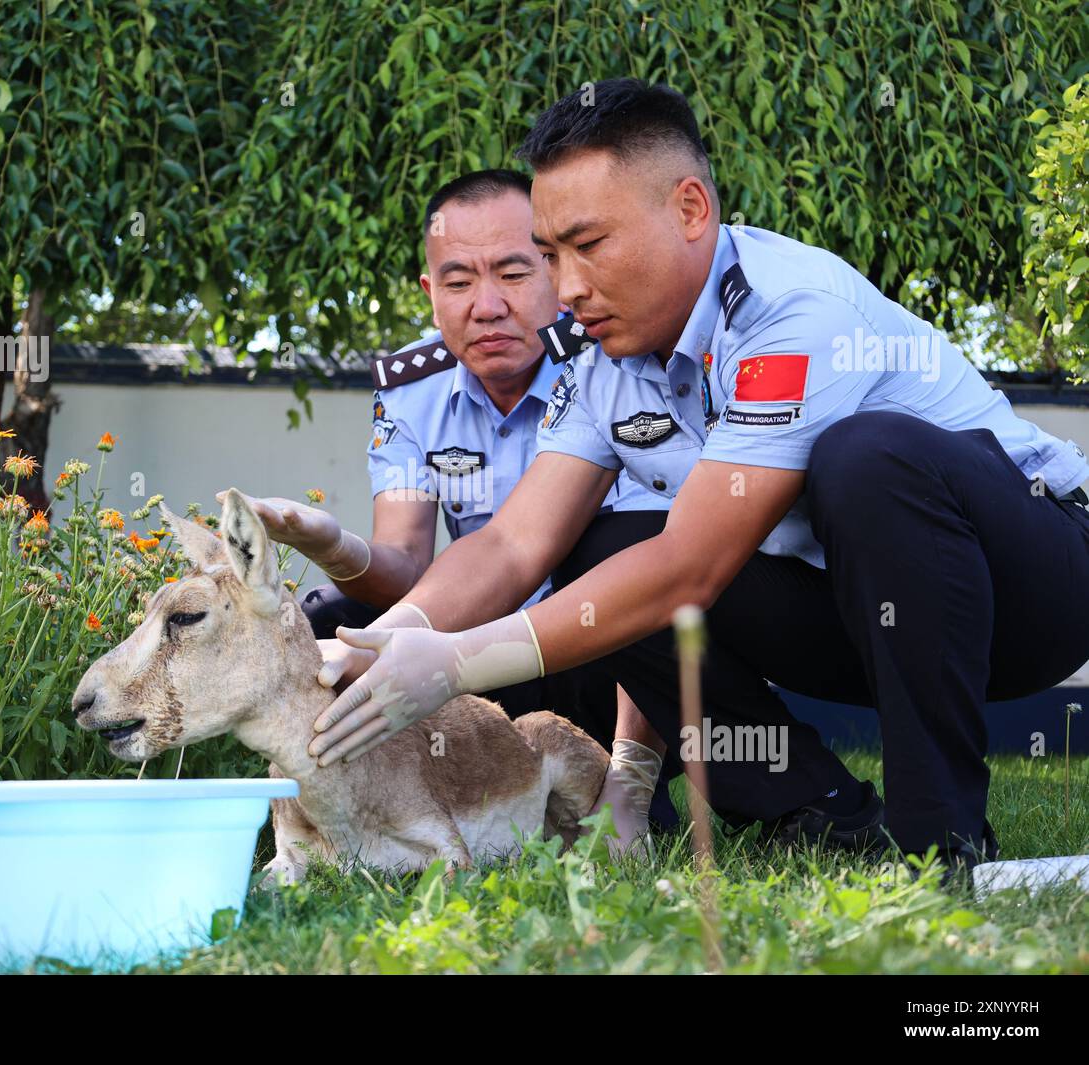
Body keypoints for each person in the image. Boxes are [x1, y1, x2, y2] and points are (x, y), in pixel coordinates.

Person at [306, 79, 1089, 877]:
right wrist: (389, 637)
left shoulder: (792, 311)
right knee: (598, 542)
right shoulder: (603, 351)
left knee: (867, 457)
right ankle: (820, 812)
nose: (567, 287)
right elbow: (514, 541)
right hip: (862, 618)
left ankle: (941, 843)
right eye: (550, 256)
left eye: (589, 244)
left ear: (690, 210)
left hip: (1036, 590)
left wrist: (458, 661)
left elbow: (691, 562)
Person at [228, 169, 670, 851]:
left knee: (625, 552)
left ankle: (625, 781)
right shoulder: (413, 387)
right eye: (460, 282)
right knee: (323, 619)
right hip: (461, 660)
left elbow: (653, 575)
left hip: (594, 650)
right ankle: (313, 810)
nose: (487, 306)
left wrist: (628, 782)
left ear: (557, 271)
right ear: (432, 295)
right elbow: (406, 572)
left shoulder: (610, 363)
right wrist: (331, 543)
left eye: (515, 274)